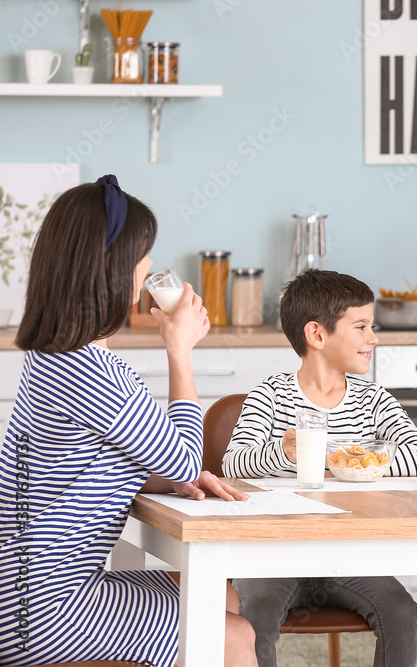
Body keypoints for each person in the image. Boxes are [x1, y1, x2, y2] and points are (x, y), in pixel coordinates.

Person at [0, 176, 257, 666]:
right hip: (42, 612)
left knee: (215, 595)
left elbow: (95, 458)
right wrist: (180, 351)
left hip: (21, 593)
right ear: (110, 270)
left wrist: (169, 472)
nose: (146, 276)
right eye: (141, 262)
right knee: (232, 634)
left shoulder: (54, 355)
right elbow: (185, 458)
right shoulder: (93, 371)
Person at [222, 268, 417, 667]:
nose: (373, 337)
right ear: (316, 335)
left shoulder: (373, 399)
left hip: (345, 555)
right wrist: (283, 454)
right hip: (273, 554)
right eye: (361, 326)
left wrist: (337, 458)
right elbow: (233, 462)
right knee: (257, 618)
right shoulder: (270, 395)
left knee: (400, 610)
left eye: (372, 326)